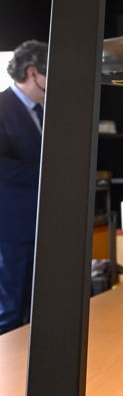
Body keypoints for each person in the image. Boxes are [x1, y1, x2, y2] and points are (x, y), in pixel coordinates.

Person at [0, 40, 47, 334]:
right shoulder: (1, 108)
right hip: (11, 232)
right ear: (33, 73)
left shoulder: (44, 111)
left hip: (42, 229)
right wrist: (51, 173)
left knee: (37, 312)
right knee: (10, 312)